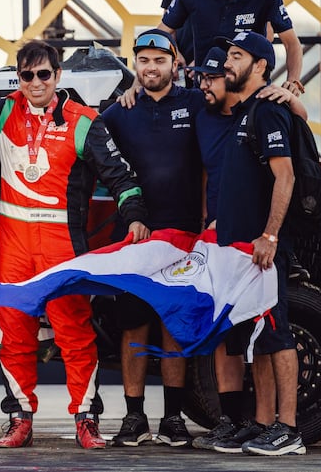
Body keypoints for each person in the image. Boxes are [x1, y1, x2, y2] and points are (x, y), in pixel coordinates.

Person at [0, 40, 150, 449]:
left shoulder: (84, 121)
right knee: (15, 336)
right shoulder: (2, 111)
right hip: (13, 243)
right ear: (19, 79)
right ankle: (19, 418)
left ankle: (86, 419)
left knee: (75, 334)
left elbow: (121, 178)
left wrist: (135, 218)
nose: (36, 82)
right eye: (27, 75)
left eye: (44, 74)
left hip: (62, 247)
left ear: (58, 76)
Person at [186, 46, 307, 453]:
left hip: (262, 249)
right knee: (258, 339)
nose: (226, 63)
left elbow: (285, 176)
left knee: (277, 337)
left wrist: (269, 236)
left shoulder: (268, 108)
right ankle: (260, 424)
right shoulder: (244, 111)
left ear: (259, 65)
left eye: (236, 56)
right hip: (237, 249)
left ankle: (288, 429)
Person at [101, 29, 205, 447]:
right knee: (134, 325)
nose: (151, 67)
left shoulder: (197, 104)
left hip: (186, 238)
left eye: (159, 60)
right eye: (143, 60)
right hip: (137, 238)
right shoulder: (119, 112)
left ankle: (174, 419)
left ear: (175, 64)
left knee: (174, 326)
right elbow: (87, 149)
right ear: (135, 66)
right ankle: (134, 417)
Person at [159, 0, 303, 97]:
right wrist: (173, 55)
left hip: (250, 92)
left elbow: (291, 43)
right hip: (207, 90)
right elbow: (161, 33)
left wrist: (293, 82)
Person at [160, 0, 277, 67]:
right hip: (190, 66)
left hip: (243, 69)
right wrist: (175, 54)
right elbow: (167, 26)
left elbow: (269, 32)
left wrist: (214, 60)